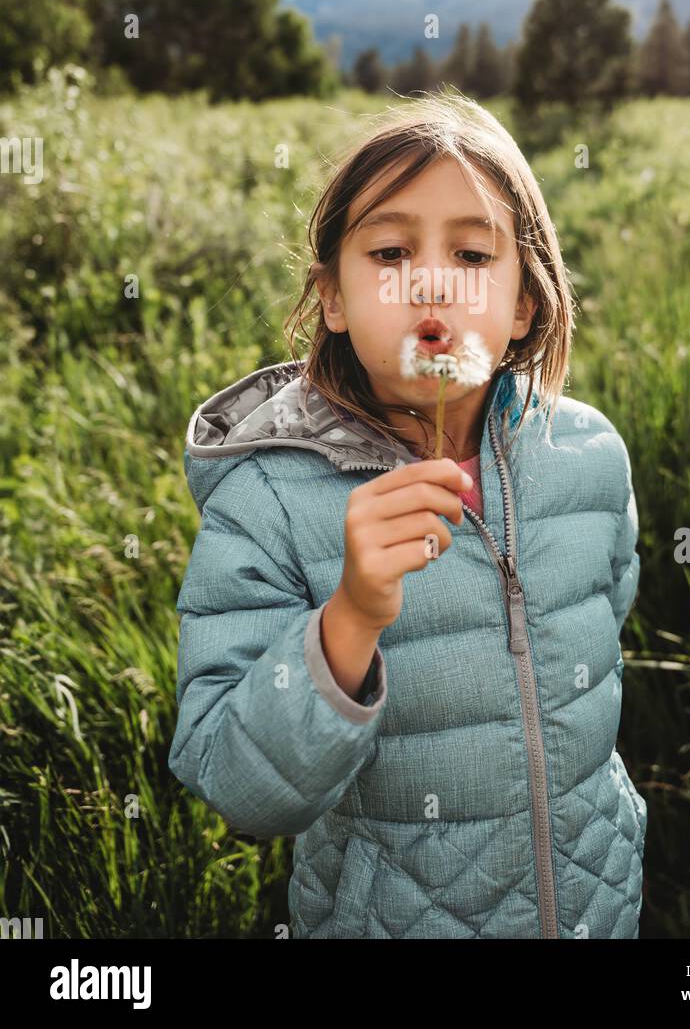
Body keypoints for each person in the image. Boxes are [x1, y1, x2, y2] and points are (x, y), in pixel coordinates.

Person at [168, 87, 646, 938]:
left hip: (594, 906)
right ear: (335, 301)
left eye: (471, 257)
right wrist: (349, 619)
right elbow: (234, 782)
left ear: (525, 305)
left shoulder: (589, 456)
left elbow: (602, 629)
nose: (430, 282)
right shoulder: (269, 499)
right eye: (389, 252)